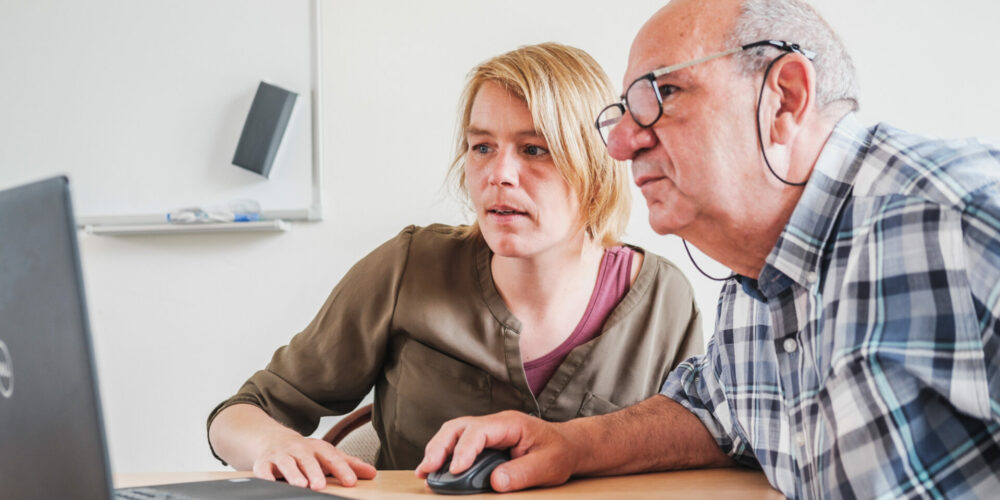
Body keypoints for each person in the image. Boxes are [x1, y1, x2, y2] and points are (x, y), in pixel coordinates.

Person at [416, 1, 1000, 498]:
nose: (619, 145)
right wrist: (570, 443)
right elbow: (712, 412)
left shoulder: (962, 220)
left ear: (785, 99)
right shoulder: (752, 284)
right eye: (623, 111)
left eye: (663, 92)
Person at [207, 42, 704, 491]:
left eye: (534, 150)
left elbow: (701, 449)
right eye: (481, 146)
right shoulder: (407, 268)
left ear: (596, 165)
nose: (497, 175)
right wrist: (271, 445)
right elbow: (239, 415)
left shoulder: (664, 297)